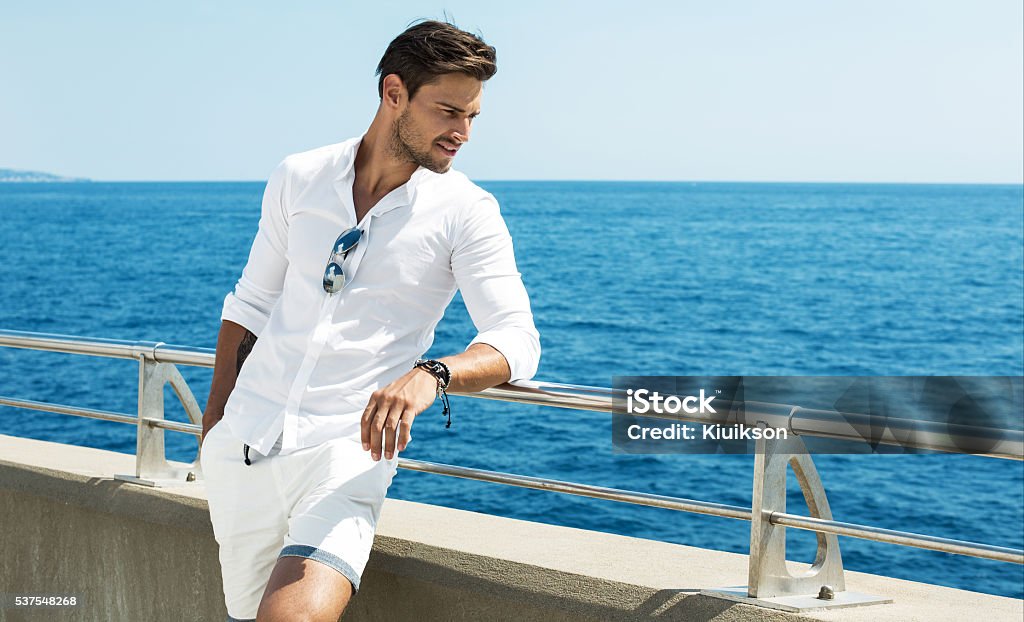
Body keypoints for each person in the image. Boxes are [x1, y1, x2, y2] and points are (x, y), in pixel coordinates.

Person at [198, 20, 540, 622]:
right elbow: (250, 303)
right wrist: (214, 429)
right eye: (447, 111)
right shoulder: (299, 176)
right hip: (245, 448)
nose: (462, 132)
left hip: (347, 455)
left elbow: (517, 340)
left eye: (472, 117)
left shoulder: (467, 212)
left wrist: (431, 375)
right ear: (394, 94)